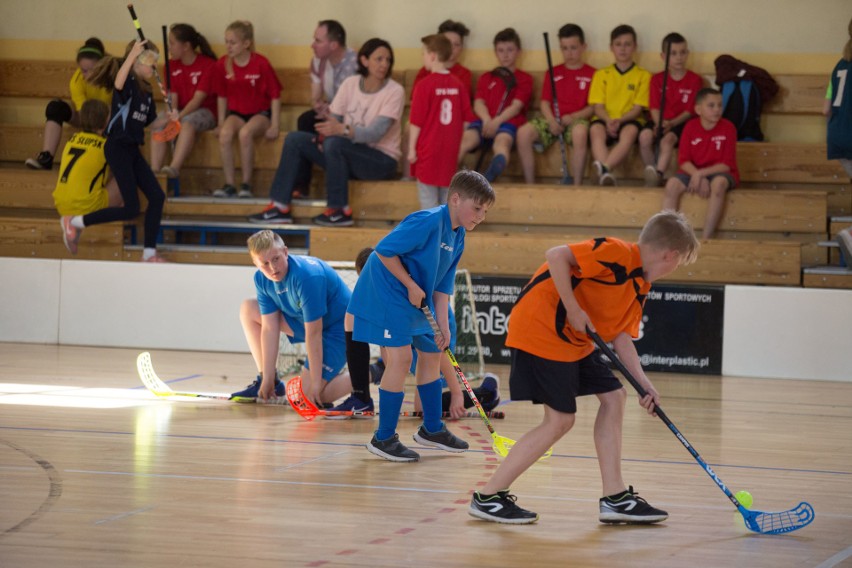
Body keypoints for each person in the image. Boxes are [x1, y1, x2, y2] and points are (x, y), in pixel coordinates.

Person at [469, 210, 700, 524]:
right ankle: (489, 497)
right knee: (560, 421)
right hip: (542, 329)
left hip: (573, 340)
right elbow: (556, 256)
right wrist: (573, 306)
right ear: (670, 254)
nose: (675, 268)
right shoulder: (617, 252)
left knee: (615, 396)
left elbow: (621, 337)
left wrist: (644, 383)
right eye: (679, 262)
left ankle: (615, 497)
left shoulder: (640, 285)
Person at [348, 170, 495, 462]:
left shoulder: (459, 235)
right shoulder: (427, 221)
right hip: (387, 292)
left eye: (485, 211)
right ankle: (384, 438)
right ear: (455, 199)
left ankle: (432, 429)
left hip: (413, 298)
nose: (481, 215)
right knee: (401, 359)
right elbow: (384, 251)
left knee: (431, 354)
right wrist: (411, 284)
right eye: (477, 208)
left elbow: (442, 285)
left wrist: (443, 325)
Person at [248, 38, 404, 227]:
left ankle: (339, 210)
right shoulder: (350, 83)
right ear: (364, 60)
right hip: (348, 152)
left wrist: (342, 131)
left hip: (380, 160)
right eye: (379, 59)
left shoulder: (395, 91)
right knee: (295, 139)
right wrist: (327, 134)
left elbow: (375, 133)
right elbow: (334, 118)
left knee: (335, 143)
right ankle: (280, 206)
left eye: (388, 60)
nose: (384, 64)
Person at [62, 40, 167, 263]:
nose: (154, 67)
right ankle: (75, 222)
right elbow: (118, 81)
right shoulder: (127, 80)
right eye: (150, 62)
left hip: (132, 149)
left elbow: (153, 123)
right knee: (131, 208)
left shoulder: (147, 92)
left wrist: (171, 119)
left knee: (157, 196)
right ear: (137, 61)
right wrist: (132, 56)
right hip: (117, 146)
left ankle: (149, 253)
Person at [232, 230, 353, 405]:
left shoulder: (307, 277)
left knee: (311, 397)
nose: (272, 268)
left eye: (276, 259)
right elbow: (269, 327)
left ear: (286, 252)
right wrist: (267, 377)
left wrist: (316, 382)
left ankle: (376, 369)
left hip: (339, 328)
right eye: (264, 263)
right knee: (249, 308)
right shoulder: (261, 279)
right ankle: (271, 381)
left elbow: (314, 334)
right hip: (305, 322)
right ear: (255, 264)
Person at [516, 23, 595, 185]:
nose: (569, 53)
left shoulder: (592, 73)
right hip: (552, 119)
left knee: (580, 132)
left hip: (577, 120)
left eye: (573, 47)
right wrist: (551, 120)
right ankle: (529, 185)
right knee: (523, 133)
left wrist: (573, 117)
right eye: (564, 48)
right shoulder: (553, 72)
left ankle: (577, 186)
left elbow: (593, 106)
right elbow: (545, 102)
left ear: (583, 47)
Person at [212, 20, 281, 198]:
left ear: (246, 44)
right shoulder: (223, 64)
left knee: (245, 133)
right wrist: (220, 122)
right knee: (225, 134)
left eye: (232, 42)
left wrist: (274, 125)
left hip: (260, 113)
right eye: (226, 42)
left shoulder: (261, 63)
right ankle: (229, 184)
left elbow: (275, 95)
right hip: (237, 113)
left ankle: (246, 184)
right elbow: (222, 95)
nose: (228, 46)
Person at [291, 20, 358, 197]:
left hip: (352, 116)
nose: (312, 45)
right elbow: (315, 96)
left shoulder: (356, 63)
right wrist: (318, 105)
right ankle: (301, 184)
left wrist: (333, 113)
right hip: (331, 111)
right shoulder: (317, 61)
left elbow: (357, 102)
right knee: (305, 120)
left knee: (334, 132)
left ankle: (345, 179)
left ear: (334, 45)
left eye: (318, 41)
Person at [457, 28, 533, 183]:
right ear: (495, 52)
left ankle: (488, 177)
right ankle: (446, 179)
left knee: (502, 143)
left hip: (508, 122)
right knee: (465, 139)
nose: (505, 54)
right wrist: (486, 120)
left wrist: (496, 122)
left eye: (510, 50)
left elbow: (516, 106)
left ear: (518, 51)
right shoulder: (487, 77)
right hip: (484, 122)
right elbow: (478, 103)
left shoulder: (524, 79)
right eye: (501, 50)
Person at [662, 88, 739, 239]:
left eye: (720, 105)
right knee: (671, 185)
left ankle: (706, 238)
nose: (717, 110)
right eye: (711, 105)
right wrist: (697, 175)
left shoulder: (728, 127)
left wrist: (701, 174)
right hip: (693, 171)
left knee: (718, 184)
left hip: (718, 172)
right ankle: (669, 236)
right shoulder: (690, 127)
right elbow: (683, 161)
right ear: (698, 109)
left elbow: (726, 164)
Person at [401, 19, 473, 179]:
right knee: (409, 128)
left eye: (457, 44)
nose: (452, 49)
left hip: (450, 124)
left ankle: (448, 176)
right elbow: (415, 105)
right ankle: (408, 178)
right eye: (448, 43)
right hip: (428, 122)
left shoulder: (463, 75)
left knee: (462, 135)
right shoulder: (424, 72)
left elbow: (461, 109)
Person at [26, 38, 111, 171]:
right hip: (87, 117)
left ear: (101, 66)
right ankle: (46, 157)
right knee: (55, 107)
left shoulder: (112, 77)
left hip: (110, 118)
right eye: (83, 70)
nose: (87, 75)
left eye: (92, 70)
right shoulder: (77, 81)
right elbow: (85, 113)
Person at [409, 33, 473, 209]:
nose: (423, 57)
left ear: (432, 55)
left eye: (423, 53)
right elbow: (467, 120)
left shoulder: (424, 85)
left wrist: (411, 149)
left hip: (428, 149)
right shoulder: (458, 84)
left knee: (428, 202)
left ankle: (432, 235)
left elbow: (416, 122)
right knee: (447, 200)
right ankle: (445, 235)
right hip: (449, 151)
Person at [150, 23, 218, 180]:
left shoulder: (208, 65)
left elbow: (197, 100)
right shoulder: (171, 66)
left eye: (172, 43)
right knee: (159, 123)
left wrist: (178, 118)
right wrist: (171, 115)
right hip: (180, 110)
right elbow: (173, 96)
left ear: (186, 46)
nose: (169, 48)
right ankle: (154, 172)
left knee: (187, 122)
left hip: (205, 111)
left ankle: (173, 168)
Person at [53, 100, 122, 254]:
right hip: (85, 205)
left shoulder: (71, 140)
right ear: (106, 121)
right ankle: (117, 229)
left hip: (60, 202)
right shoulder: (106, 146)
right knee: (128, 177)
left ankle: (73, 226)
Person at [638, 33, 704, 187]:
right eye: (673, 53)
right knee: (644, 136)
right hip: (659, 121)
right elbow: (654, 107)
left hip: (681, 123)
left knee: (667, 141)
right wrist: (659, 124)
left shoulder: (694, 80)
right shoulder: (657, 79)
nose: (679, 57)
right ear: (663, 56)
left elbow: (689, 111)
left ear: (687, 54)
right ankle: (651, 173)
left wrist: (671, 124)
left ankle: (659, 175)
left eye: (682, 52)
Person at [588, 24, 651, 186]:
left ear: (635, 47)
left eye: (627, 44)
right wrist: (609, 120)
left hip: (629, 120)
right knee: (595, 131)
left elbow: (637, 109)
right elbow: (598, 107)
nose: (623, 49)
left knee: (629, 133)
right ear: (611, 47)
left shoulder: (643, 76)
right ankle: (605, 175)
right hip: (605, 118)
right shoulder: (601, 74)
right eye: (618, 44)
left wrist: (619, 121)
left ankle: (605, 169)